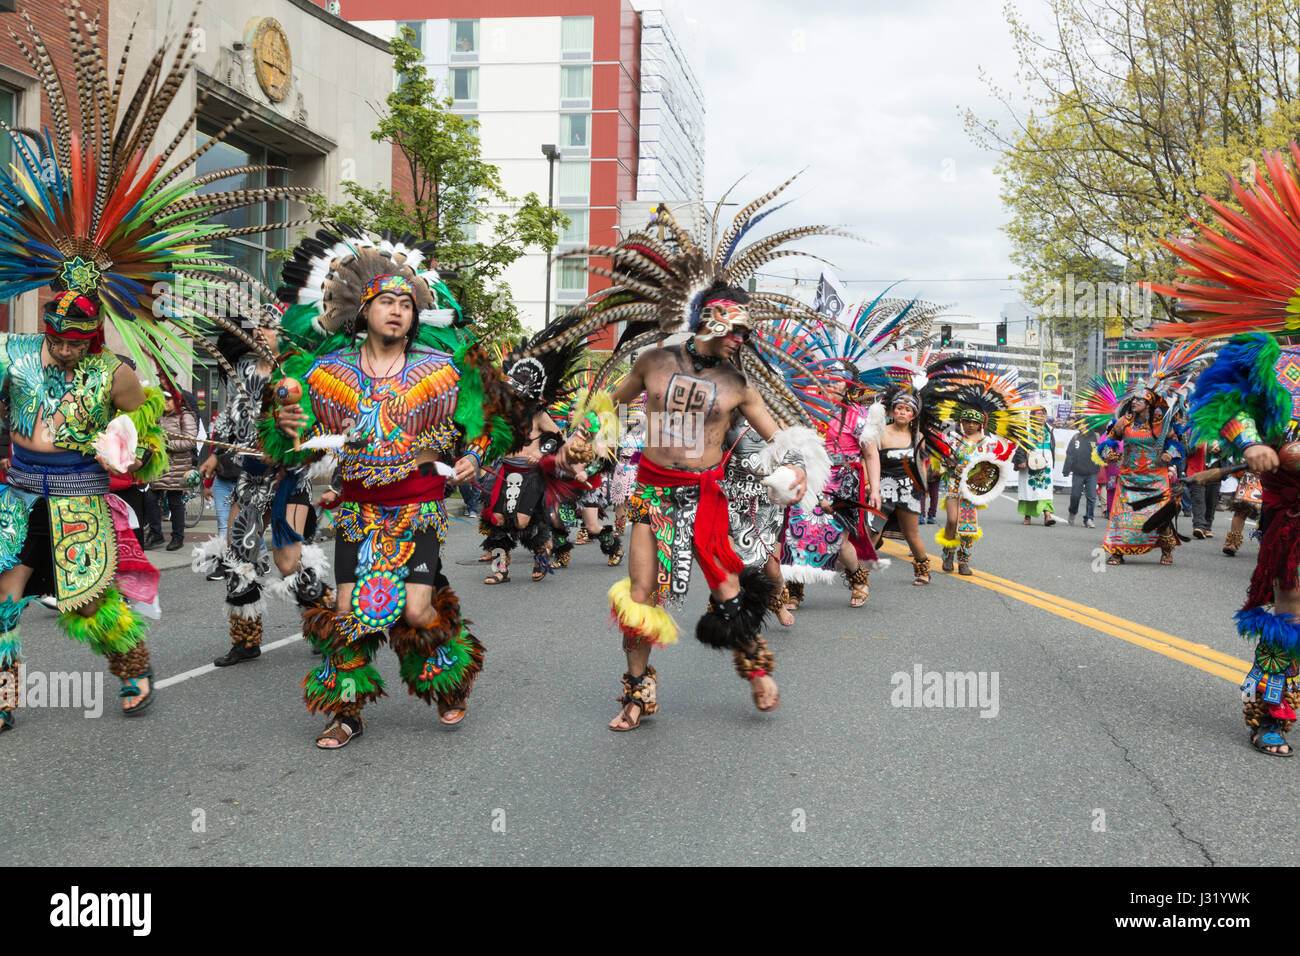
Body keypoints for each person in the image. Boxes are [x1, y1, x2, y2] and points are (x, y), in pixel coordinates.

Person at [525, 189, 842, 731]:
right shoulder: (653, 361)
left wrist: (801, 468)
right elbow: (608, 404)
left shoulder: (739, 384)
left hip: (707, 497)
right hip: (651, 495)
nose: (742, 340)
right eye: (735, 330)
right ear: (711, 321)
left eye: (746, 333)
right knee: (641, 595)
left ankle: (758, 670)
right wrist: (580, 438)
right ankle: (636, 692)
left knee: (728, 594)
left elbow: (778, 438)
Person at [271, 231, 527, 748]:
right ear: (364, 310)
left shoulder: (444, 371)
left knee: (413, 611)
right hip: (358, 510)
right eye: (386, 301)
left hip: (418, 507)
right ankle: (346, 712)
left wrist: (474, 455)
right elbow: (290, 442)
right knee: (347, 614)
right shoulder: (325, 371)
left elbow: (486, 422)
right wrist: (285, 423)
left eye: (406, 304)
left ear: (416, 316)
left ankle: (447, 678)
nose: (397, 311)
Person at [1142, 144, 1300, 754]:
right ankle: (1272, 710)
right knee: (1292, 601)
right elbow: (1217, 406)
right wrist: (1255, 442)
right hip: (1295, 505)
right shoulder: (1267, 353)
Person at [870, 383, 932, 585]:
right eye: (899, 408)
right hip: (883, 490)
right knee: (872, 532)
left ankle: (923, 569)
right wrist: (870, 485)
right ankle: (860, 578)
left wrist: (923, 489)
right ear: (892, 410)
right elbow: (869, 459)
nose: (902, 412)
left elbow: (922, 467)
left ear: (913, 415)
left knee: (911, 535)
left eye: (907, 410)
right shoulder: (880, 433)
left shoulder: (917, 437)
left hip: (908, 492)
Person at [146, 385, 198, 551]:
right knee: (150, 498)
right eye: (163, 398)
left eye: (168, 398)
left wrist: (166, 444)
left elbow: (190, 441)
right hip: (159, 466)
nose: (165, 402)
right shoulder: (157, 415)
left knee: (175, 501)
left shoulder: (185, 417)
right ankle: (156, 534)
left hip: (178, 466)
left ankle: (178, 537)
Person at [1014, 406, 1057, 526]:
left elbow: (1052, 447)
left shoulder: (1049, 429)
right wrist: (1021, 460)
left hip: (1046, 462)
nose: (1041, 416)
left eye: (1043, 414)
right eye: (1038, 414)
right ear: (1032, 415)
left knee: (1045, 488)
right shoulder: (1026, 429)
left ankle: (1047, 515)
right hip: (1029, 461)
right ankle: (1027, 516)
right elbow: (1021, 446)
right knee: (1029, 489)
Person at [1062, 424, 1102, 528]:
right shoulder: (1076, 437)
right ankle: (1072, 512)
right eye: (1079, 424)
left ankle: (1089, 518)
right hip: (1078, 472)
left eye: (1083, 424)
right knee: (1075, 495)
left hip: (1092, 472)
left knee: (1092, 497)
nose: (1081, 426)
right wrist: (1066, 469)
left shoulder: (1096, 436)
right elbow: (1069, 454)